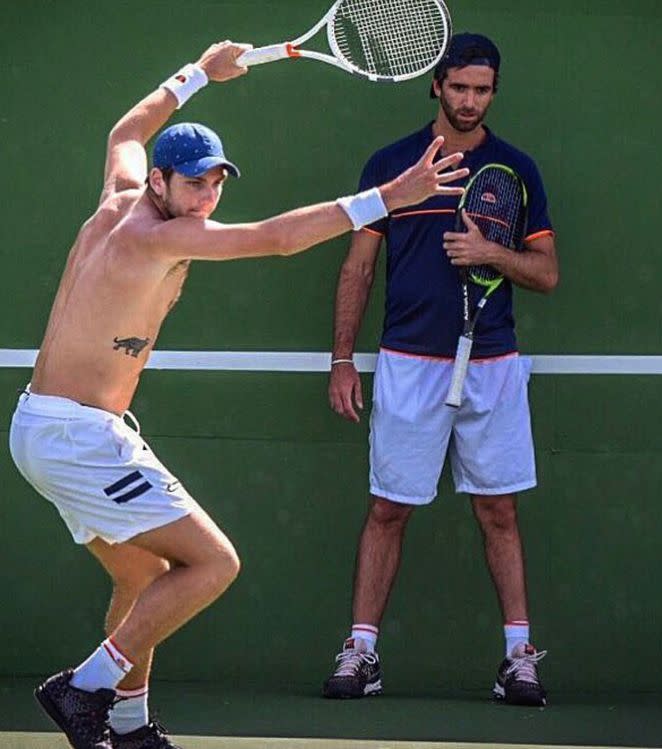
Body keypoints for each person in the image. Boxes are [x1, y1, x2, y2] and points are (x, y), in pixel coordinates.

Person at [8, 40, 468, 749]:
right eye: (194, 183)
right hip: (77, 436)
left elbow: (124, 131)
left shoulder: (123, 191)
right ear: (160, 183)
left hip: (47, 429)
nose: (207, 197)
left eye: (217, 182)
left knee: (148, 575)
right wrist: (389, 197)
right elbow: (278, 238)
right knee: (214, 563)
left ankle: (127, 728)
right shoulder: (154, 239)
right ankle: (85, 686)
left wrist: (197, 73)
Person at [323, 33, 558, 706]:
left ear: (493, 92)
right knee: (387, 509)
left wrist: (492, 251)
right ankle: (361, 651)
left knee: (499, 510)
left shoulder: (517, 171)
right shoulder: (392, 166)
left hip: (492, 364)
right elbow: (358, 267)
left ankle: (519, 655)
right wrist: (343, 357)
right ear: (436, 84)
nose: (470, 100)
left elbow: (545, 272)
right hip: (408, 364)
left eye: (482, 90)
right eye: (459, 87)